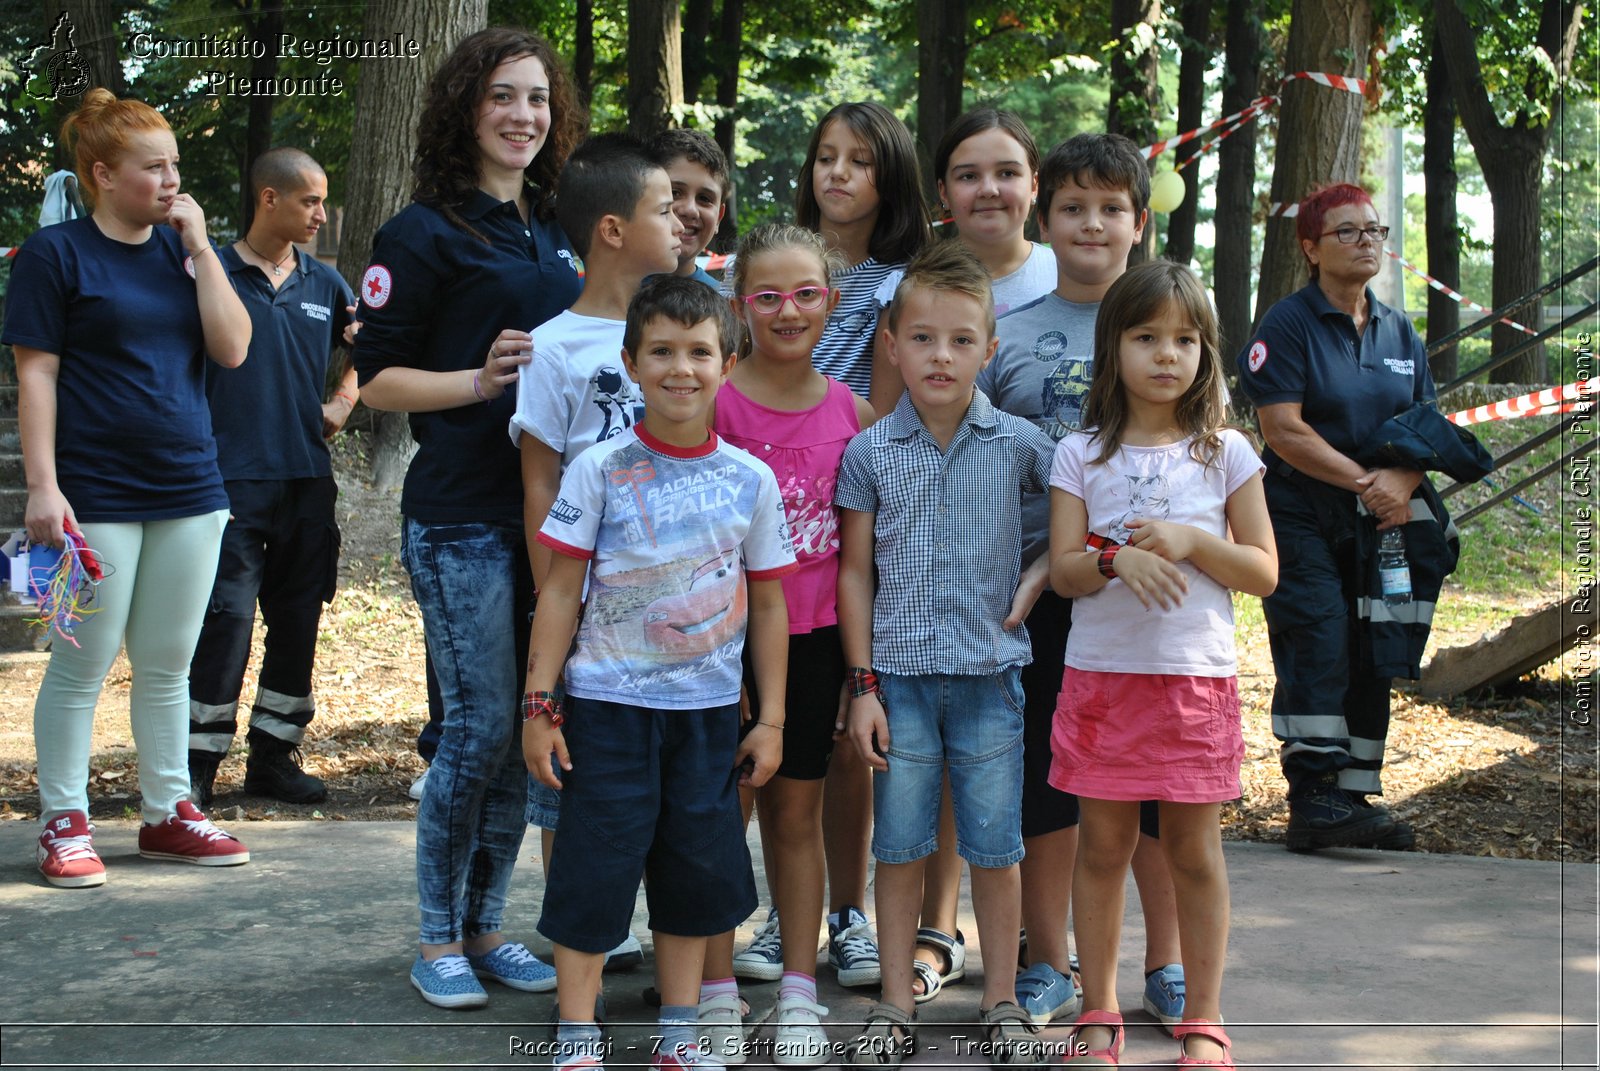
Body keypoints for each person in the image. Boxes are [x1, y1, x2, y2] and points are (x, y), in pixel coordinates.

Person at [351, 27, 585, 1008]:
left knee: (521, 731)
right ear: (464, 108)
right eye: (501, 96)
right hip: (460, 520)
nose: (522, 115)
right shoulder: (419, 232)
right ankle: (437, 937)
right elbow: (371, 380)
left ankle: (490, 927)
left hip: (554, 520)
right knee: (479, 727)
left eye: (536, 98)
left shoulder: (558, 225)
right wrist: (472, 379)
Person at [523, 276, 796, 1071]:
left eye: (700, 351)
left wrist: (770, 716)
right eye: (663, 352)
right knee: (592, 871)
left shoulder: (751, 480)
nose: (682, 368)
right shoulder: (599, 468)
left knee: (696, 873)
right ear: (631, 363)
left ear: (729, 361)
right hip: (606, 710)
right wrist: (541, 701)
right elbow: (561, 589)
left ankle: (680, 1031)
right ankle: (578, 1031)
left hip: (708, 715)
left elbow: (770, 606)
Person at [5, 88, 253, 887]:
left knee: (168, 662)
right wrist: (43, 487)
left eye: (176, 164)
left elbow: (234, 349)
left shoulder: (182, 253)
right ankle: (65, 821)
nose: (171, 179)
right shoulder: (56, 255)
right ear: (103, 174)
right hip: (94, 492)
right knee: (81, 663)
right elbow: (35, 377)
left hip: (191, 483)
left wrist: (204, 250)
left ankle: (167, 811)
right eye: (154, 167)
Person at [977, 132, 1187, 1029]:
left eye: (1110, 208)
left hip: (1156, 604)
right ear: (1044, 217)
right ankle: (1050, 960)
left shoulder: (1175, 326)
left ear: (1140, 224)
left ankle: (1168, 962)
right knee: (1050, 783)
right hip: (1045, 594)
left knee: (1154, 795)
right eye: (1073, 207)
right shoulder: (1008, 338)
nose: (1091, 223)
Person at [1050, 260, 1277, 1071]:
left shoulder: (1227, 453)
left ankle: (1206, 1017)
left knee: (1194, 852)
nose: (1166, 354)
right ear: (1112, 348)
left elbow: (1262, 569)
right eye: (1146, 336)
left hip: (1194, 681)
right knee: (1102, 848)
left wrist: (1192, 542)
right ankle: (1099, 1010)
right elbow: (1065, 568)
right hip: (1103, 681)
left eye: (1185, 338)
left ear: (1206, 351)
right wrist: (1114, 561)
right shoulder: (1080, 453)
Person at [836, 241, 1053, 1069]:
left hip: (991, 683)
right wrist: (862, 685)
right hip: (899, 686)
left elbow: (1081, 510)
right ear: (891, 344)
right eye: (922, 338)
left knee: (996, 849)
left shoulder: (1022, 444)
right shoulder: (870, 452)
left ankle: (1000, 1001)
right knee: (898, 848)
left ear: (989, 350)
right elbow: (854, 573)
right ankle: (895, 1004)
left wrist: (1040, 573)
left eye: (962, 340)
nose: (941, 355)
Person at [733, 99, 931, 995]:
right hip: (739, 581)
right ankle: (732, 937)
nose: (839, 173)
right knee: (740, 774)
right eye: (824, 157)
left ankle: (838, 914)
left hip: (832, 543)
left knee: (837, 756)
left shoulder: (895, 286)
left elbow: (884, 431)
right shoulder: (771, 273)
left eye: (859, 159)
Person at [700, 223, 876, 1064]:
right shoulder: (715, 404)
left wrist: (855, 670)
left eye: (805, 293)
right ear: (741, 308)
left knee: (797, 815)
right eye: (767, 296)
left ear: (831, 303)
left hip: (811, 646)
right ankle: (713, 990)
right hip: (718, 643)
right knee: (717, 817)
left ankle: (801, 991)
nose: (787, 310)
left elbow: (860, 560)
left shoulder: (853, 411)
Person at [511, 131, 684, 974]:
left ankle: (664, 935)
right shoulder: (553, 346)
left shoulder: (682, 331)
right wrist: (558, 596)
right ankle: (583, 941)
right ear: (612, 229)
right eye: (664, 207)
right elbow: (539, 481)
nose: (684, 218)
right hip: (586, 605)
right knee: (575, 776)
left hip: (679, 608)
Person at [906, 107, 1059, 1010]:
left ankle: (1042, 939)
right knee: (954, 747)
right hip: (955, 576)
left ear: (1034, 183)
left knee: (1033, 760)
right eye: (968, 173)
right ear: (942, 194)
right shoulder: (922, 289)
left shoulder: (1066, 274)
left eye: (1007, 170)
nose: (989, 188)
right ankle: (936, 924)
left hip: (1065, 565)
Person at [1237, 183, 1430, 852]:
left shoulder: (1399, 328)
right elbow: (1283, 429)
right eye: (1347, 231)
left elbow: (1424, 426)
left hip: (1379, 520)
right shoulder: (1288, 323)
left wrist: (1401, 481)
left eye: (1374, 229)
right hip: (1295, 510)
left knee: (1369, 642)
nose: (1366, 240)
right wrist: (1364, 482)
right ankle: (1313, 795)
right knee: (1316, 632)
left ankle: (1353, 794)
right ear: (1311, 247)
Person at [186, 147, 358, 809]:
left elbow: (374, 348)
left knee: (297, 620)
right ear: (268, 198)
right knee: (223, 619)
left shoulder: (325, 284)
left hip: (307, 480)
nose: (321, 213)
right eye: (310, 201)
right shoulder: (210, 272)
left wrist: (343, 401)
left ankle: (275, 758)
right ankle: (197, 765)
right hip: (226, 479)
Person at [646, 127, 728, 288]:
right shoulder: (596, 294)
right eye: (675, 192)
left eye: (704, 198)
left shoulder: (729, 306)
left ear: (719, 217)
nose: (690, 210)